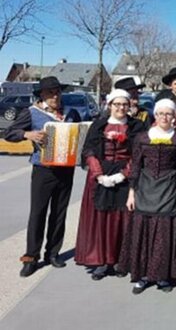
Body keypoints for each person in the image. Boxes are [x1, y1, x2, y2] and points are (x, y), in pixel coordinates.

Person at [4, 76, 81, 277]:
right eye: (50, 92)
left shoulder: (71, 113)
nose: (55, 96)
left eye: (57, 92)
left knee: (59, 212)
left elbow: (80, 136)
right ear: (42, 95)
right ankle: (31, 257)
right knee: (38, 213)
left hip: (66, 169)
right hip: (43, 170)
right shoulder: (31, 112)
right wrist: (28, 135)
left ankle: (52, 253)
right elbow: (9, 133)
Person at [75, 89, 145, 280]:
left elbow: (140, 153)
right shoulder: (98, 125)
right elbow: (89, 151)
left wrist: (124, 175)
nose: (121, 108)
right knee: (102, 219)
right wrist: (98, 175)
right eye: (117, 104)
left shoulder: (137, 126)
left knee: (123, 220)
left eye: (124, 104)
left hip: (125, 177)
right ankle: (102, 261)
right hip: (101, 175)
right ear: (110, 105)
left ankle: (122, 260)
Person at [118, 99, 176, 294]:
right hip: (145, 188)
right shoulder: (142, 138)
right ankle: (143, 275)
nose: (165, 117)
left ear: (174, 117)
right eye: (161, 113)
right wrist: (131, 193)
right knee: (144, 231)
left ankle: (162, 276)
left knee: (164, 233)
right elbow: (136, 166)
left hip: (168, 188)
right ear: (155, 115)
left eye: (168, 114)